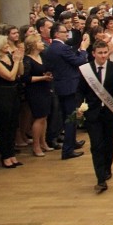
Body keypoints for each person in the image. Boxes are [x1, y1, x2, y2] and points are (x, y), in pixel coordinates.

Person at [79, 40, 113, 193]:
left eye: (105, 52)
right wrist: (79, 107)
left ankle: (107, 168)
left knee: (108, 142)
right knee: (96, 145)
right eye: (100, 53)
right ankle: (100, 178)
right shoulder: (85, 70)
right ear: (93, 54)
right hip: (93, 113)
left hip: (110, 112)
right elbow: (79, 91)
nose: (103, 56)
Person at [43, 22, 89, 160]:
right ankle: (68, 150)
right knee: (71, 118)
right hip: (69, 86)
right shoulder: (62, 48)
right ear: (57, 34)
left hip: (60, 85)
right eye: (64, 32)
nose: (67, 34)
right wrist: (83, 49)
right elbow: (79, 61)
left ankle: (72, 142)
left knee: (67, 116)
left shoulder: (51, 48)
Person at [0, 35, 24, 168]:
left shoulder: (11, 57)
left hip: (13, 93)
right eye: (5, 43)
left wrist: (19, 60)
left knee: (13, 125)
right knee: (4, 126)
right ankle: (5, 156)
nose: (8, 45)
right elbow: (10, 76)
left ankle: (12, 154)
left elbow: (20, 73)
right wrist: (16, 62)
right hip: (2, 95)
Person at [21, 34, 53, 157]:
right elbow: (25, 78)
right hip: (35, 91)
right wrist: (42, 78)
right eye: (39, 42)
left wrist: (47, 75)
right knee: (39, 118)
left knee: (44, 117)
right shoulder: (27, 60)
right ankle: (36, 146)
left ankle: (43, 142)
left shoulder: (41, 56)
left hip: (44, 88)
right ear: (33, 45)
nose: (42, 43)